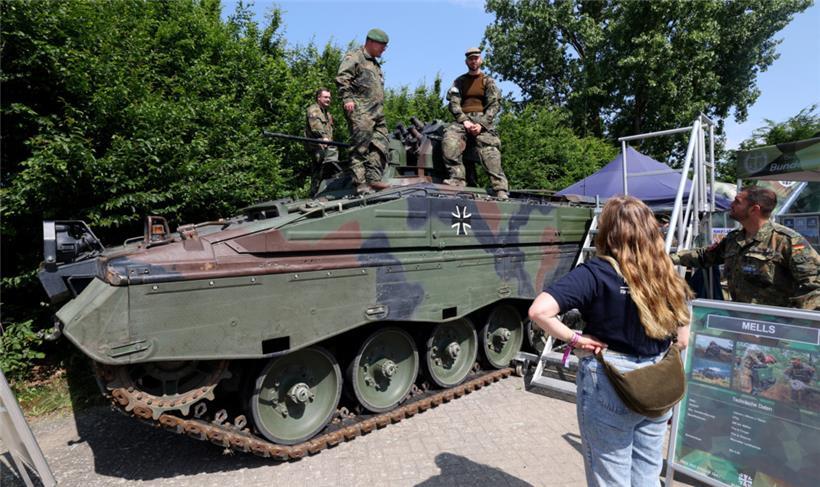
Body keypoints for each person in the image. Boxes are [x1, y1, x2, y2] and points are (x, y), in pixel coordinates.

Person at [529, 195, 693, 487]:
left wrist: (576, 339)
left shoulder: (595, 273)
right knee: (646, 472)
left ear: (608, 232)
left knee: (610, 477)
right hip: (657, 381)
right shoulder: (665, 272)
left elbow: (539, 312)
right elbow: (682, 339)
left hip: (610, 380)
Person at [671, 186, 820, 310]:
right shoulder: (733, 239)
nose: (731, 205)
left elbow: (814, 285)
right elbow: (705, 256)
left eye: (737, 202)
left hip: (774, 327)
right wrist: (669, 259)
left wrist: (796, 321)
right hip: (741, 320)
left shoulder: (787, 241)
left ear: (754, 209)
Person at [442, 47, 509, 200]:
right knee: (449, 139)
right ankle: (457, 179)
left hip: (482, 121)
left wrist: (481, 124)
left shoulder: (488, 81)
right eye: (471, 59)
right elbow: (454, 103)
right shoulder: (459, 81)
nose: (473, 61)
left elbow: (494, 105)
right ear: (466, 61)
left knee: (490, 150)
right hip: (462, 120)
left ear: (481, 60)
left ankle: (500, 188)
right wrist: (464, 121)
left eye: (476, 58)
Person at [336, 28, 390, 195]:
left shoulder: (374, 63)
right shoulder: (355, 57)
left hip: (377, 113)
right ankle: (360, 184)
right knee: (359, 148)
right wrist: (347, 99)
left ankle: (373, 179)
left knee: (381, 144)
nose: (384, 49)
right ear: (371, 42)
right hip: (361, 112)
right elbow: (342, 78)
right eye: (382, 45)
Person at [304, 87, 340, 195]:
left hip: (327, 147)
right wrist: (324, 137)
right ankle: (315, 195)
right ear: (319, 98)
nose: (328, 99)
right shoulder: (314, 110)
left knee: (327, 172)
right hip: (317, 147)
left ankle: (324, 193)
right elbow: (316, 127)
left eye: (329, 97)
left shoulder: (327, 113)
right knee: (320, 173)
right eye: (325, 97)